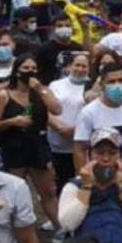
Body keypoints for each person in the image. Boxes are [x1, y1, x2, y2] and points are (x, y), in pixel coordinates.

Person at [0, 52, 63, 231]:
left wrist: (40, 90)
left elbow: (57, 109)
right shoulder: (3, 95)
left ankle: (60, 227)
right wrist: (12, 122)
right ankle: (7, 229)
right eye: (25, 68)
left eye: (33, 68)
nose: (30, 71)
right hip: (12, 147)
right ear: (17, 71)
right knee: (7, 193)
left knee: (48, 192)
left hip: (37, 146)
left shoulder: (42, 92)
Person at [74, 61, 122, 183]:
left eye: (121, 80)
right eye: (111, 82)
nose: (117, 85)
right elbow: (79, 149)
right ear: (102, 84)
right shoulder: (89, 112)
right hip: (100, 180)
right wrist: (85, 179)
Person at [49, 51, 92, 194]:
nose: (80, 69)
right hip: (57, 142)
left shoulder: (92, 87)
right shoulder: (56, 85)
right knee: (60, 181)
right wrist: (59, 126)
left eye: (84, 66)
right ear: (70, 66)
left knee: (80, 181)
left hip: (82, 144)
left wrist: (75, 131)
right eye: (77, 65)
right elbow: (46, 110)